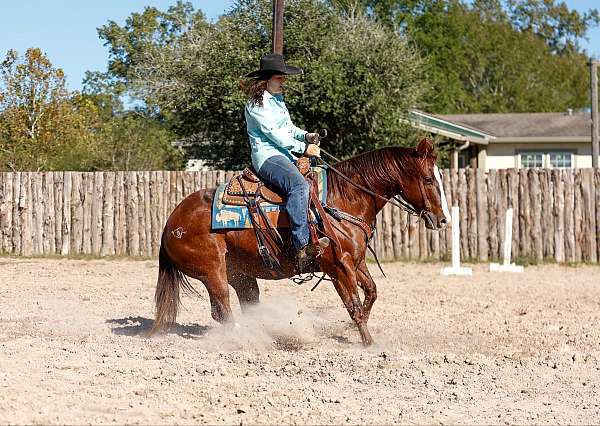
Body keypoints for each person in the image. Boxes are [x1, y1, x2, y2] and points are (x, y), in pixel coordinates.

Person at [243, 53, 329, 269]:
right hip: (268, 157)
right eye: (280, 78)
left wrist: (306, 136)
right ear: (267, 80)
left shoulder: (277, 101)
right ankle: (302, 247)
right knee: (299, 186)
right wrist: (304, 148)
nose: (284, 81)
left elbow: (288, 128)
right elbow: (276, 136)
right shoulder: (257, 105)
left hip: (285, 155)